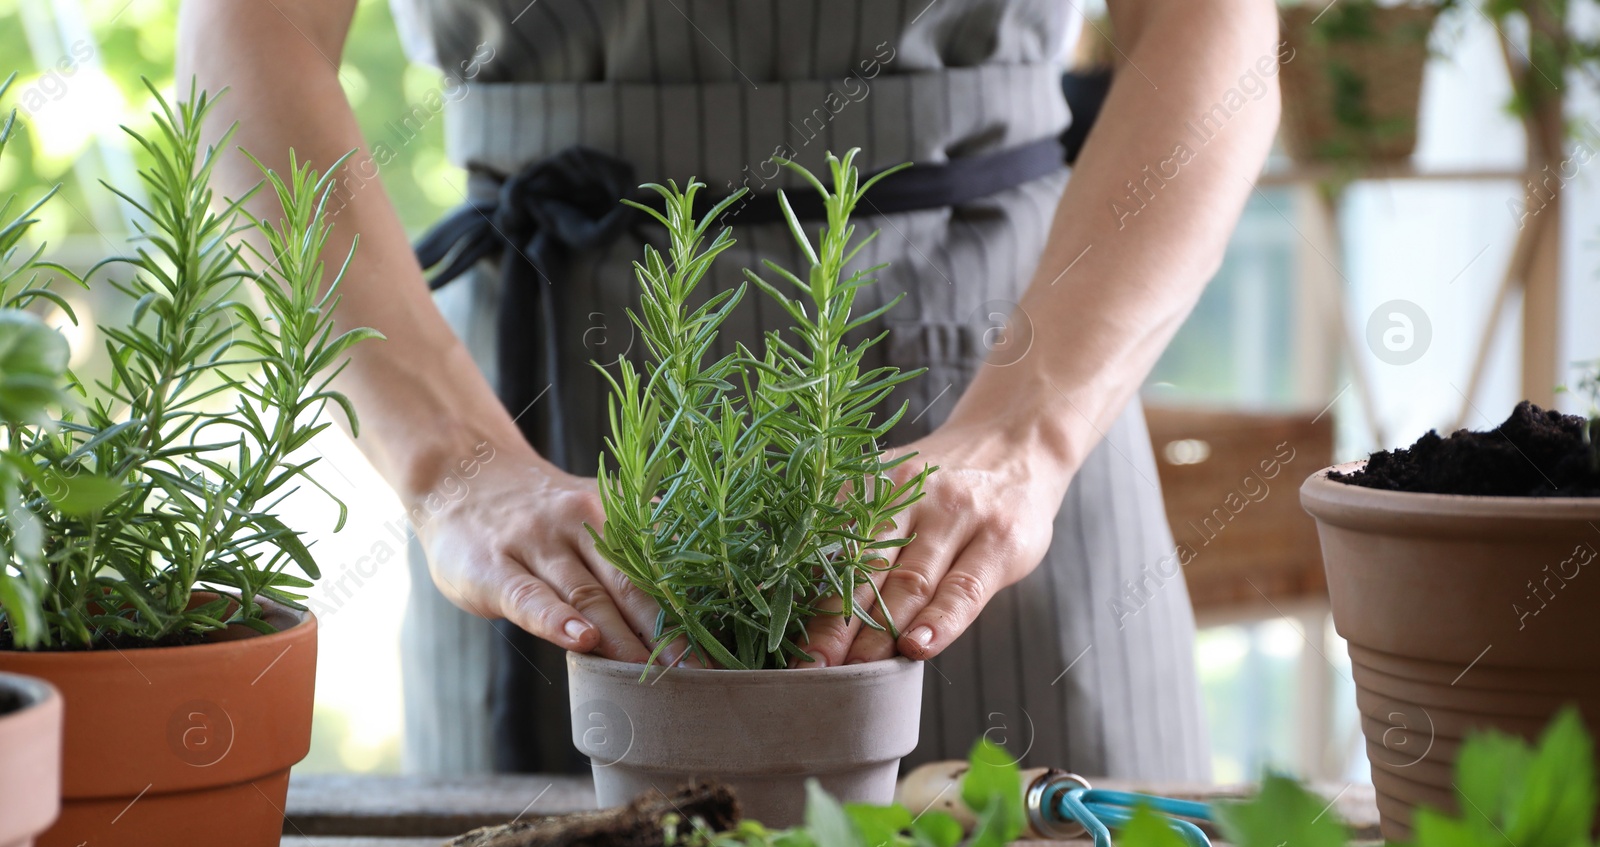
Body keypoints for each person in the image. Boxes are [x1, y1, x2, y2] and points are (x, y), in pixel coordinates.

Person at [177, 0, 1279, 778]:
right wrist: (450, 464)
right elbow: (247, 27)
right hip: (535, 424)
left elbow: (1211, 25)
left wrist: (1025, 435)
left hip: (1002, 385)